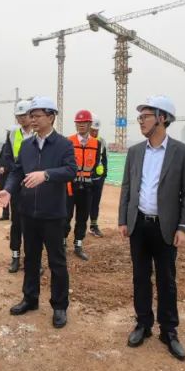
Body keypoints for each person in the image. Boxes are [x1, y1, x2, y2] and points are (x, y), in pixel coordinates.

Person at [117, 95, 185, 361]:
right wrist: (123, 220)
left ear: (162, 118)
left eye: (145, 116)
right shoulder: (135, 152)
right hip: (139, 224)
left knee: (166, 280)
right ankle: (143, 324)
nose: (140, 121)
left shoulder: (182, 152)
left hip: (166, 227)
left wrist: (183, 227)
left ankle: (169, 330)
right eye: (139, 117)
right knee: (140, 277)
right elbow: (127, 187)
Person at [0, 96, 76, 329]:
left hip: (53, 214)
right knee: (30, 258)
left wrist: (46, 175)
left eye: (37, 115)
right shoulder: (27, 145)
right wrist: (9, 190)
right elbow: (17, 171)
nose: (32, 119)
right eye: (31, 116)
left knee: (57, 261)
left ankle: (59, 306)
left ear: (51, 117)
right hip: (28, 212)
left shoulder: (63, 145)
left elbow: (71, 170)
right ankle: (30, 298)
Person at [0, 100, 33, 272]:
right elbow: (8, 156)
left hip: (35, 184)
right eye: (19, 116)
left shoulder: (38, 133)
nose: (22, 119)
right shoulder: (12, 134)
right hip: (18, 184)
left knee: (33, 224)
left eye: (24, 115)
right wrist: (18, 171)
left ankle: (33, 259)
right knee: (16, 222)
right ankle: (15, 257)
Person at [65, 109, 102, 261]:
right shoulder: (68, 141)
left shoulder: (97, 143)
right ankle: (62, 242)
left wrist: (94, 179)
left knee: (82, 217)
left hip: (87, 187)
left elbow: (98, 164)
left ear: (89, 124)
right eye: (78, 123)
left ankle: (78, 245)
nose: (81, 125)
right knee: (65, 216)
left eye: (84, 122)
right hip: (70, 186)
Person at [88, 116, 107, 237]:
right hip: (85, 178)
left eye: (96, 130)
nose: (95, 133)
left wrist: (103, 176)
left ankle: (93, 226)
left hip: (98, 178)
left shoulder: (102, 141)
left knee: (95, 203)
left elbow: (104, 159)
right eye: (93, 130)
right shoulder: (83, 141)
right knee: (83, 203)